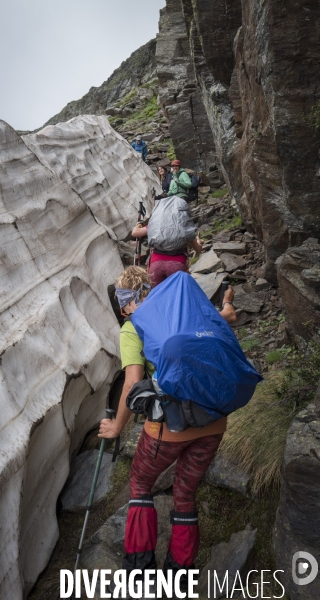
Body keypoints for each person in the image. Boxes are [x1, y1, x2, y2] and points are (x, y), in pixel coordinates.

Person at [99, 266, 236, 589]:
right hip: (215, 422)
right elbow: (226, 317)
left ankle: (141, 574)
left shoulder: (133, 328)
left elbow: (132, 382)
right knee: (185, 494)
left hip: (169, 429)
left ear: (125, 304)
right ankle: (180, 577)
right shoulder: (185, 310)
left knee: (141, 486)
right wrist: (228, 302)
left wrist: (117, 427)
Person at [131, 222, 203, 288]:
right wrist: (199, 243)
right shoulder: (182, 222)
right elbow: (198, 249)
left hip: (156, 265)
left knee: (158, 295)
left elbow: (135, 233)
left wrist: (138, 225)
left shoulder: (156, 222)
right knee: (179, 296)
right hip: (177, 264)